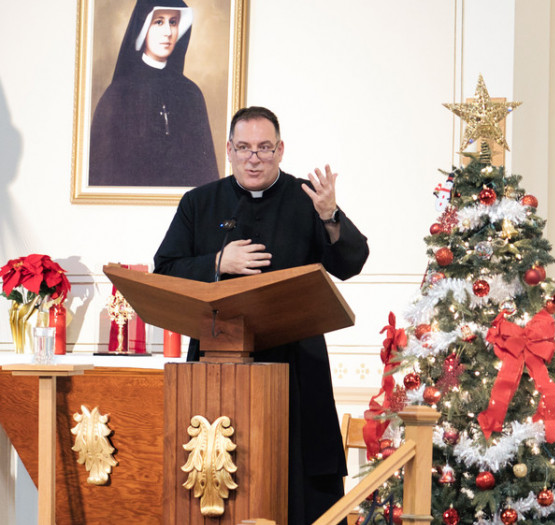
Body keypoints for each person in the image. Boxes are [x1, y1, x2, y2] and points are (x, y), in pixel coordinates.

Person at [153, 106, 369, 524]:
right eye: (245, 148)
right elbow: (165, 268)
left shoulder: (308, 199)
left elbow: (352, 262)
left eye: (265, 148)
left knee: (299, 483)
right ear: (229, 151)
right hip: (216, 369)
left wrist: (330, 216)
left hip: (297, 367)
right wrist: (217, 261)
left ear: (280, 150)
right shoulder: (198, 203)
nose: (254, 158)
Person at [89, 0, 218, 187]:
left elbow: (207, 177)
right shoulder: (118, 95)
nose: (167, 31)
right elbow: (103, 176)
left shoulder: (191, 94)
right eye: (159, 22)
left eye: (173, 22)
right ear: (143, 27)